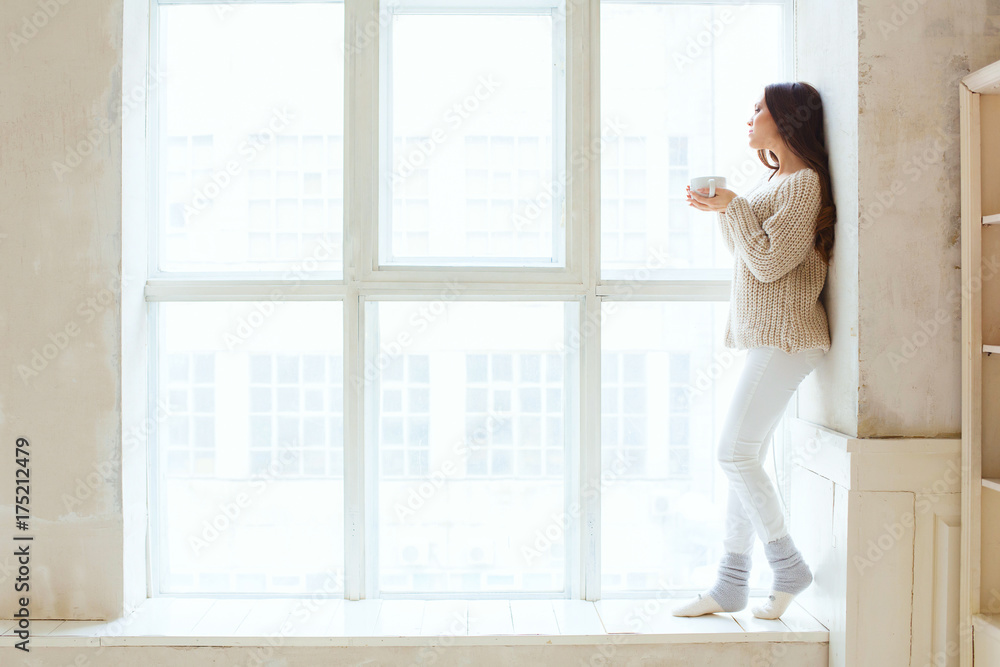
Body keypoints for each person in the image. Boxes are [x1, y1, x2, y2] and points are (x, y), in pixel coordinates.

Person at [672, 81, 836, 620]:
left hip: (786, 338)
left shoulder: (805, 184)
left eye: (758, 109)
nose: (750, 118)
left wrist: (734, 207)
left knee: (732, 455)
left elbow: (768, 265)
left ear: (786, 120)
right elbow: (750, 250)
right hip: (770, 339)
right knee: (746, 459)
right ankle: (731, 583)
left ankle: (787, 565)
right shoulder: (777, 180)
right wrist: (726, 210)